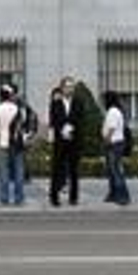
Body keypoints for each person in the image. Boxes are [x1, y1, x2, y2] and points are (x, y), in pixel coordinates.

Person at [48, 77, 82, 207]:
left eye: (72, 86)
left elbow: (80, 118)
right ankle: (54, 197)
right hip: (60, 140)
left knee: (74, 170)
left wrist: (72, 128)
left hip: (74, 140)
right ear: (62, 88)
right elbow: (53, 120)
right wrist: (61, 130)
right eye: (67, 86)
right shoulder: (55, 103)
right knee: (56, 169)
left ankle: (73, 198)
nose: (70, 89)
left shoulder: (78, 102)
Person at [0, 84, 26, 206]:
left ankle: (4, 198)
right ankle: (19, 198)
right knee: (19, 171)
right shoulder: (19, 109)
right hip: (17, 143)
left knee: (3, 172)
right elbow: (22, 126)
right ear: (11, 95)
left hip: (3, 143)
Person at [101, 91, 129, 206]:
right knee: (112, 171)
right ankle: (113, 194)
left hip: (114, 144)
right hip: (116, 143)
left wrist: (106, 140)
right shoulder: (116, 111)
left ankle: (122, 196)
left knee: (116, 170)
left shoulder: (112, 111)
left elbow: (111, 128)